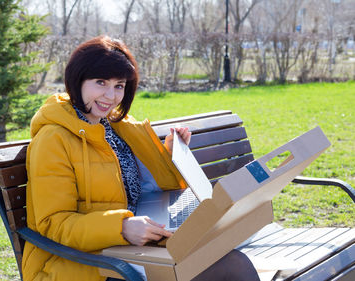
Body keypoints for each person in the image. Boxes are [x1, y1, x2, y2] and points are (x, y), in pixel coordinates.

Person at [22, 36, 259, 281]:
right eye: (100, 82)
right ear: (77, 80)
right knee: (231, 268)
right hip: (85, 262)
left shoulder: (119, 125)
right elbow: (54, 224)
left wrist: (170, 155)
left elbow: (157, 189)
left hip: (137, 246)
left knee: (229, 256)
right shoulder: (53, 140)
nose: (110, 96)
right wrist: (122, 227)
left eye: (119, 85)